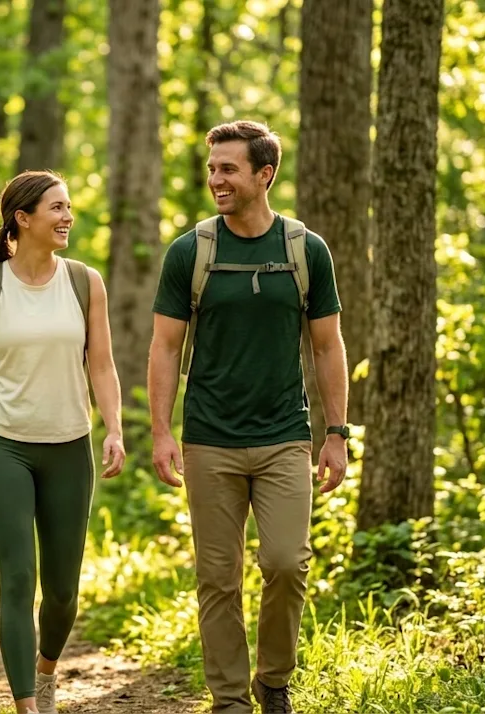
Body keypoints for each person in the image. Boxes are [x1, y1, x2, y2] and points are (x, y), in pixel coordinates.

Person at [147, 120, 350, 714]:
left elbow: (328, 346)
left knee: (287, 563)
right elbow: (164, 347)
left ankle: (274, 681)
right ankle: (231, 700)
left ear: (265, 174)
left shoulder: (305, 250)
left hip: (285, 434)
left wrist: (335, 435)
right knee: (219, 577)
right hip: (210, 438)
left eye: (228, 169)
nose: (216, 180)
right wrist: (162, 432)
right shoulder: (192, 251)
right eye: (212, 169)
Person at [0, 169, 127, 714]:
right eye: (57, 208)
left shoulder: (85, 281)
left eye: (68, 208)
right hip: (3, 446)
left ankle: (46, 670)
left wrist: (113, 428)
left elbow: (103, 365)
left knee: (63, 591)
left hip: (70, 446)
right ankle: (26, 705)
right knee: (18, 577)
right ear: (23, 218)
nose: (68, 217)